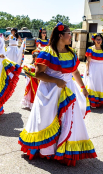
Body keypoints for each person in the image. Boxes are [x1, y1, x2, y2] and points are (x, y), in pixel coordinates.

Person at [18, 22, 95, 166]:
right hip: (49, 90)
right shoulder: (47, 52)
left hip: (68, 90)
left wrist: (83, 87)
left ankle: (64, 150)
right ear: (61, 35)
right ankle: (47, 150)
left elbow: (75, 71)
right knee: (48, 120)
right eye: (69, 34)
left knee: (68, 120)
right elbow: (38, 74)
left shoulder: (71, 52)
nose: (71, 37)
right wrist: (56, 80)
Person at [84, 34, 103, 108]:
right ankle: (91, 102)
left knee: (100, 84)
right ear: (94, 40)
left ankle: (99, 101)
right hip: (93, 68)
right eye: (97, 39)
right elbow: (88, 61)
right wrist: (87, 70)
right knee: (92, 84)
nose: (98, 41)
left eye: (100, 39)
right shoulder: (90, 49)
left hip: (102, 69)